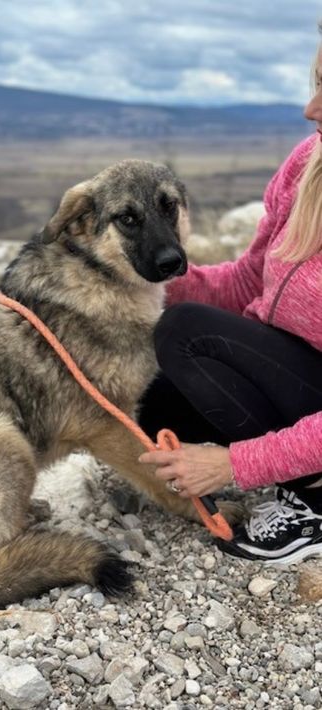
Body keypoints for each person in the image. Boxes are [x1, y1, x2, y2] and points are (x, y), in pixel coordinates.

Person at [138, 25, 322, 564]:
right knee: (154, 405)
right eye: (317, 84)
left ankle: (315, 498)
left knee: (185, 333)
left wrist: (233, 465)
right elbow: (247, 281)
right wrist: (151, 275)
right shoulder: (308, 164)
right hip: (299, 373)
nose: (310, 110)